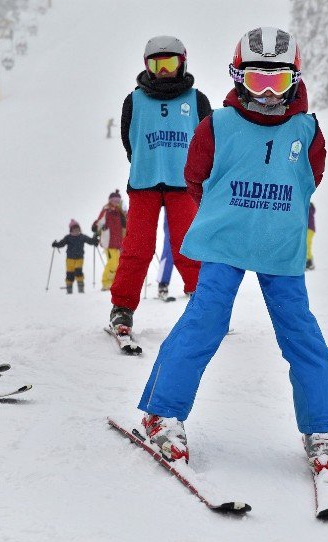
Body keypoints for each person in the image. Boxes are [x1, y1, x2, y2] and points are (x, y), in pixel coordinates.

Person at [136, 27, 328, 472]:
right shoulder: (216, 126)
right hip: (224, 243)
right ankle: (162, 413)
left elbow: (309, 181)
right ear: (238, 77)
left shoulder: (307, 131)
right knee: (205, 322)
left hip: (280, 247)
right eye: (258, 81)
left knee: (301, 334)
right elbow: (194, 178)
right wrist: (230, 215)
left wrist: (269, 215)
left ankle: (321, 424)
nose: (269, 94)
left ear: (295, 78)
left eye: (278, 81)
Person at [109, 36, 212, 335]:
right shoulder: (135, 100)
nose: (164, 71)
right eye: (157, 64)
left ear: (182, 63)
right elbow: (129, 141)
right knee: (138, 248)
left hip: (185, 185)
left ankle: (204, 305)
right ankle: (122, 308)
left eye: (170, 64)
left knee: (189, 245)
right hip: (144, 184)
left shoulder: (196, 99)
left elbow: (207, 143)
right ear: (147, 66)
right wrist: (150, 162)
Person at [92, 190, 127, 291]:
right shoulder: (107, 210)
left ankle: (113, 283)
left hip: (118, 242)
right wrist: (95, 228)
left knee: (118, 264)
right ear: (110, 200)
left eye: (118, 200)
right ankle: (106, 283)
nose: (116, 201)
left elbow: (125, 224)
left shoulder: (119, 212)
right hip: (108, 242)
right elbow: (100, 222)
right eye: (114, 200)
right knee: (112, 263)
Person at [52, 220, 99, 294]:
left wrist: (94, 241)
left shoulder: (82, 237)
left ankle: (81, 290)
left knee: (78, 272)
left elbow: (90, 241)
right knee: (69, 274)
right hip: (69, 259)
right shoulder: (68, 237)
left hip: (79, 259)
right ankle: (69, 291)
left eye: (78, 229)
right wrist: (56, 244)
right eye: (74, 229)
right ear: (71, 230)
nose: (76, 231)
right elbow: (61, 244)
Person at [156, 210, 174, 298]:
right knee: (169, 250)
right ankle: (163, 283)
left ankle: (192, 283)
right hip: (172, 209)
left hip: (191, 208)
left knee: (191, 251)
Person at [306, 202, 315, 270]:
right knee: (306, 244)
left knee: (306, 244)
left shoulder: (307, 206)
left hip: (309, 228)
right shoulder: (308, 206)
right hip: (309, 228)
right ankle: (308, 261)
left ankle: (309, 261)